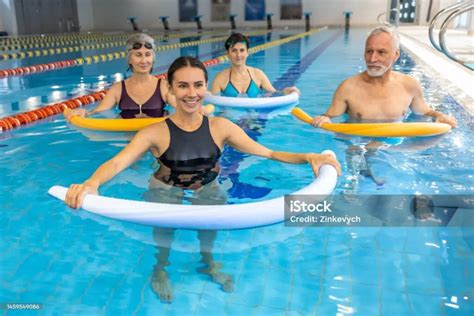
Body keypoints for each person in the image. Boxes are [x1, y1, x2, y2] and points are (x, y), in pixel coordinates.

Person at [64, 56, 341, 303]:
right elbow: (118, 162)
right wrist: (91, 183)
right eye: (183, 86)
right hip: (165, 187)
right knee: (164, 212)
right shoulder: (154, 132)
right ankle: (160, 266)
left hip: (207, 185)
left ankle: (208, 261)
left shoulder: (221, 127)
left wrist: (309, 156)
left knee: (214, 200)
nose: (191, 93)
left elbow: (268, 152)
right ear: (171, 90)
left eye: (198, 85)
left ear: (206, 89)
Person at [312, 24, 456, 128]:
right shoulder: (348, 88)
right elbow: (330, 117)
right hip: (358, 144)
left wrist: (439, 116)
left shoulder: (409, 85)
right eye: (369, 51)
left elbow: (424, 112)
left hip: (393, 145)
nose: (372, 59)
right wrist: (324, 118)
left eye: (381, 52)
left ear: (396, 55)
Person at [64, 33, 176, 121]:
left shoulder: (163, 86)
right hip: (126, 137)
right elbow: (99, 111)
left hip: (156, 136)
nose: (143, 61)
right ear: (129, 59)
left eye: (148, 55)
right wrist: (83, 113)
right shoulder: (118, 88)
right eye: (138, 55)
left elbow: (180, 110)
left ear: (153, 58)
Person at [211, 33, 300, 97]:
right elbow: (212, 101)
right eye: (234, 50)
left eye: (242, 50)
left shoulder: (258, 74)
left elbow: (274, 93)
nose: (238, 55)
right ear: (228, 54)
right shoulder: (220, 78)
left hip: (254, 119)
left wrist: (286, 91)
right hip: (229, 119)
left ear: (247, 53)